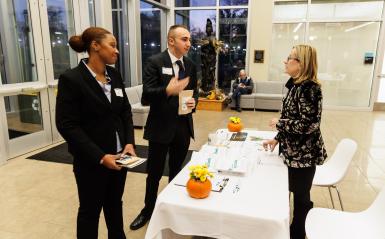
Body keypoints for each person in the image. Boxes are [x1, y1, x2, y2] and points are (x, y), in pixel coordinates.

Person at [56, 27, 136, 239]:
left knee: (114, 204)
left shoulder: (115, 75)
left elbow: (125, 111)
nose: (117, 51)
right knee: (90, 212)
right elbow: (67, 125)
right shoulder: (72, 79)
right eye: (113, 45)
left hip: (120, 156)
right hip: (91, 160)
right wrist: (100, 157)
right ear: (95, 46)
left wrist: (129, 142)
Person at [129, 24, 198, 230]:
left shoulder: (191, 65)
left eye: (189, 40)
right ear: (171, 41)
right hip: (160, 128)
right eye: (184, 39)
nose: (189, 43)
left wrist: (194, 102)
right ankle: (148, 210)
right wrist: (167, 91)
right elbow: (146, 96)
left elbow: (194, 93)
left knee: (177, 172)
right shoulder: (155, 62)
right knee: (154, 174)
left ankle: (171, 211)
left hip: (183, 127)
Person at [263, 44, 327, 239]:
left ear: (301, 63)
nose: (285, 60)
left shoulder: (309, 88)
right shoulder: (295, 85)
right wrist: (277, 139)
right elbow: (292, 116)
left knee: (301, 198)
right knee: (289, 192)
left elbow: (309, 125)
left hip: (304, 156)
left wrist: (280, 123)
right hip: (292, 152)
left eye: (290, 57)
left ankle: (298, 233)